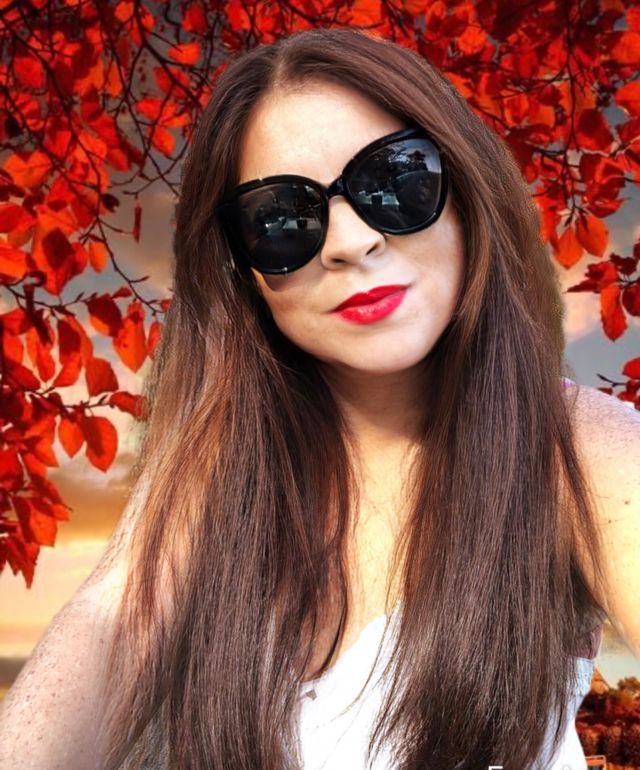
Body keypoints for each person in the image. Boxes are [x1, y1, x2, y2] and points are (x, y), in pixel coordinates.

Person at [1, 26, 638, 770]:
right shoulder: (217, 473)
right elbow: (109, 625)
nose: (350, 241)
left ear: (466, 192)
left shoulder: (577, 448)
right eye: (282, 220)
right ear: (243, 270)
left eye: (395, 180)